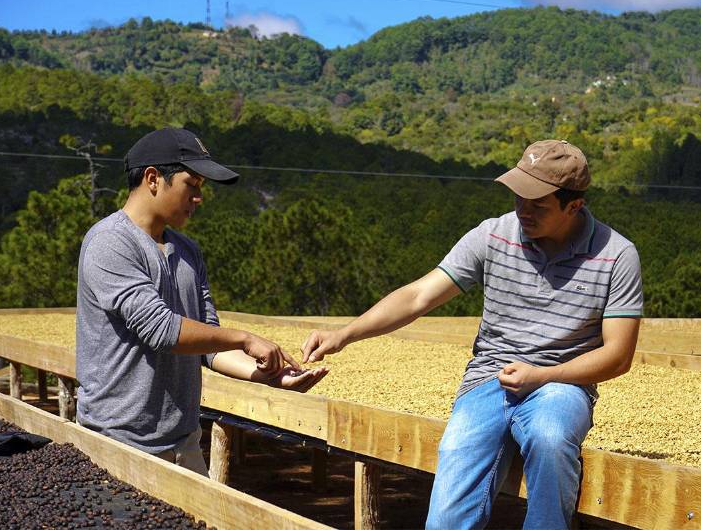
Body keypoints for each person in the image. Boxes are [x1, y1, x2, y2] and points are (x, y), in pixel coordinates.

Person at [301, 140, 642, 529]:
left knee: (550, 437)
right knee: (451, 497)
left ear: (574, 205)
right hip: (488, 378)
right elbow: (418, 296)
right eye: (519, 196)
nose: (523, 210)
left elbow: (618, 356)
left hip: (562, 383)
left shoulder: (617, 255)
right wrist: (345, 334)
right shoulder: (493, 235)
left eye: (538, 204)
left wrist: (543, 376)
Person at [76, 126, 327, 476]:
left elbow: (209, 345)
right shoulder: (110, 243)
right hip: (117, 446)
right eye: (191, 185)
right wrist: (245, 338)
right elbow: (162, 330)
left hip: (184, 445)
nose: (199, 198)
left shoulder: (188, 252)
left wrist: (268, 376)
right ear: (153, 179)